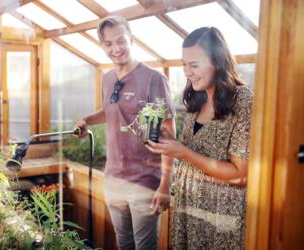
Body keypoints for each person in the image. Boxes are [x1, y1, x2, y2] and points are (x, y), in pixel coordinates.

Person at [146, 27, 253, 250]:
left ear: (218, 61)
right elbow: (192, 149)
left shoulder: (243, 101)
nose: (187, 72)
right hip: (188, 209)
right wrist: (170, 142)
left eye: (194, 65)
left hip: (221, 217)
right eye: (184, 64)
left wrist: (183, 152)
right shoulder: (195, 97)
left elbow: (240, 176)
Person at [75, 15, 175, 250]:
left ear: (131, 39)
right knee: (124, 244)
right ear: (103, 46)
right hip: (113, 179)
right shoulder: (108, 78)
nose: (116, 48)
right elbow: (110, 111)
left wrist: (165, 185)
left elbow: (168, 134)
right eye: (108, 43)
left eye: (120, 41)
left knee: (144, 247)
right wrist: (87, 120)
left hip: (144, 182)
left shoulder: (153, 79)